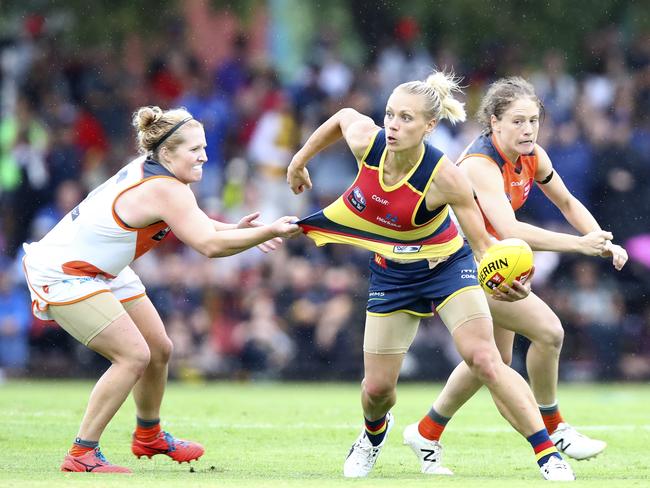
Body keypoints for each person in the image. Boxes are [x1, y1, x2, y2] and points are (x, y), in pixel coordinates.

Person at [287, 71, 575, 481]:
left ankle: (548, 455)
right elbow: (344, 116)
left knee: (487, 359)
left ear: (429, 126)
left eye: (406, 118)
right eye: (389, 114)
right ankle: (372, 435)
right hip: (392, 276)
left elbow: (481, 246)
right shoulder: (367, 142)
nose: (393, 124)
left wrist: (501, 281)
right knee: (376, 391)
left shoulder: (448, 177)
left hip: (448, 268)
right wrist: (299, 161)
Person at [22, 106, 302, 473]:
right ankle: (81, 454)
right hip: (64, 272)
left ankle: (148, 435)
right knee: (133, 356)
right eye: (194, 149)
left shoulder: (158, 175)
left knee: (159, 349)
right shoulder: (167, 188)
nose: (204, 155)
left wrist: (237, 228)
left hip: (102, 269)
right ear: (167, 153)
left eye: (204, 147)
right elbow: (208, 246)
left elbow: (198, 224)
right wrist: (269, 231)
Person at [404, 77, 628, 474]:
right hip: (452, 264)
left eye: (534, 120)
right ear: (494, 123)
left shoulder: (532, 155)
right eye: (519, 121)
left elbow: (566, 201)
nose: (529, 130)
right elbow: (509, 229)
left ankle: (427, 430)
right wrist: (579, 246)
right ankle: (554, 428)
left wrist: (602, 239)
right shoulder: (479, 164)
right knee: (549, 332)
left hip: (488, 260)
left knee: (494, 359)